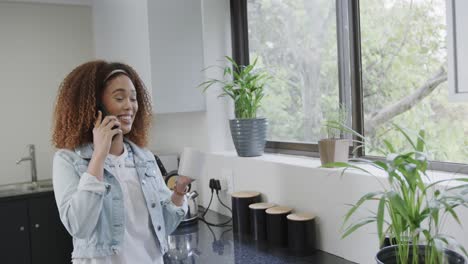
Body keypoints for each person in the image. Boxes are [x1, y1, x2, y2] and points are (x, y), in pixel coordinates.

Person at [51, 60, 191, 264]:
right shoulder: (68, 159)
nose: (129, 106)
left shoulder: (145, 158)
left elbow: (165, 225)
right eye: (119, 98)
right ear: (94, 105)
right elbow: (78, 226)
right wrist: (99, 154)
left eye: (133, 98)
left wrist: (179, 192)